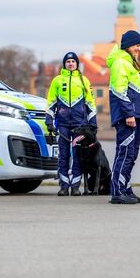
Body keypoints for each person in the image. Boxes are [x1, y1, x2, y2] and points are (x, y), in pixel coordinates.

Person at [46, 52, 97, 196]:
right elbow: (50, 103)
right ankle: (63, 186)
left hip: (79, 125)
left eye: (73, 61)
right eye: (68, 61)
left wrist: (93, 124)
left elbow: (90, 104)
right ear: (64, 64)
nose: (70, 64)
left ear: (77, 64)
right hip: (62, 125)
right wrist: (49, 121)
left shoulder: (84, 81)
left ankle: (75, 187)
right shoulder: (56, 81)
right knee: (63, 156)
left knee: (77, 155)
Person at [106, 30, 140, 204]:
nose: (139, 48)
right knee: (124, 153)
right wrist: (129, 114)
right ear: (128, 45)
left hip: (135, 115)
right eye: (137, 45)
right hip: (126, 117)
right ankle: (117, 191)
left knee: (132, 153)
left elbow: (138, 91)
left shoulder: (130, 62)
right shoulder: (121, 63)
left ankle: (126, 187)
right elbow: (119, 91)